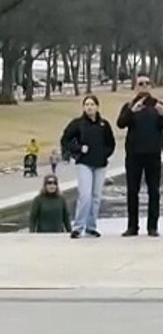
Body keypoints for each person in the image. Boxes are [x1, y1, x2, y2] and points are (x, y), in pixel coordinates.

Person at [116, 75, 163, 237]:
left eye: (147, 83)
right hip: (134, 154)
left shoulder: (158, 105)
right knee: (132, 191)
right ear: (135, 87)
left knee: (153, 191)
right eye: (141, 84)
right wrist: (131, 112)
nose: (144, 86)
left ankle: (152, 226)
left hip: (153, 154)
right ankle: (132, 226)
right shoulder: (129, 105)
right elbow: (120, 124)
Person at [60, 94, 116, 238]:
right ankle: (78, 226)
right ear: (84, 107)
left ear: (97, 107)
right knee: (85, 195)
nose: (89, 107)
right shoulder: (78, 124)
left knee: (96, 196)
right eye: (87, 105)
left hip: (100, 164)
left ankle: (91, 226)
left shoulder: (104, 125)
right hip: (84, 163)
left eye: (92, 104)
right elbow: (65, 140)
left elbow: (111, 143)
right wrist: (78, 149)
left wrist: (105, 154)